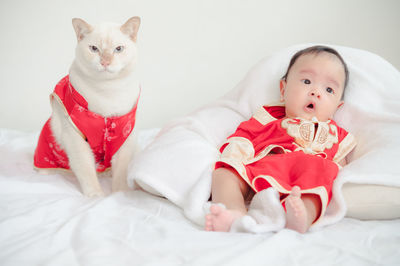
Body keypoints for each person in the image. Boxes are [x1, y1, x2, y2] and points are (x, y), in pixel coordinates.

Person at [205, 45, 357, 233]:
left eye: (328, 89)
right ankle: (234, 213)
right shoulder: (269, 116)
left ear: (338, 106)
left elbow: (340, 168)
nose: (316, 92)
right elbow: (245, 136)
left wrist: (335, 168)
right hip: (265, 167)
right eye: (307, 81)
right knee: (224, 172)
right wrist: (236, 159)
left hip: (307, 175)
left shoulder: (337, 135)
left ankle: (303, 216)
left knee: (325, 176)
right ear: (283, 89)